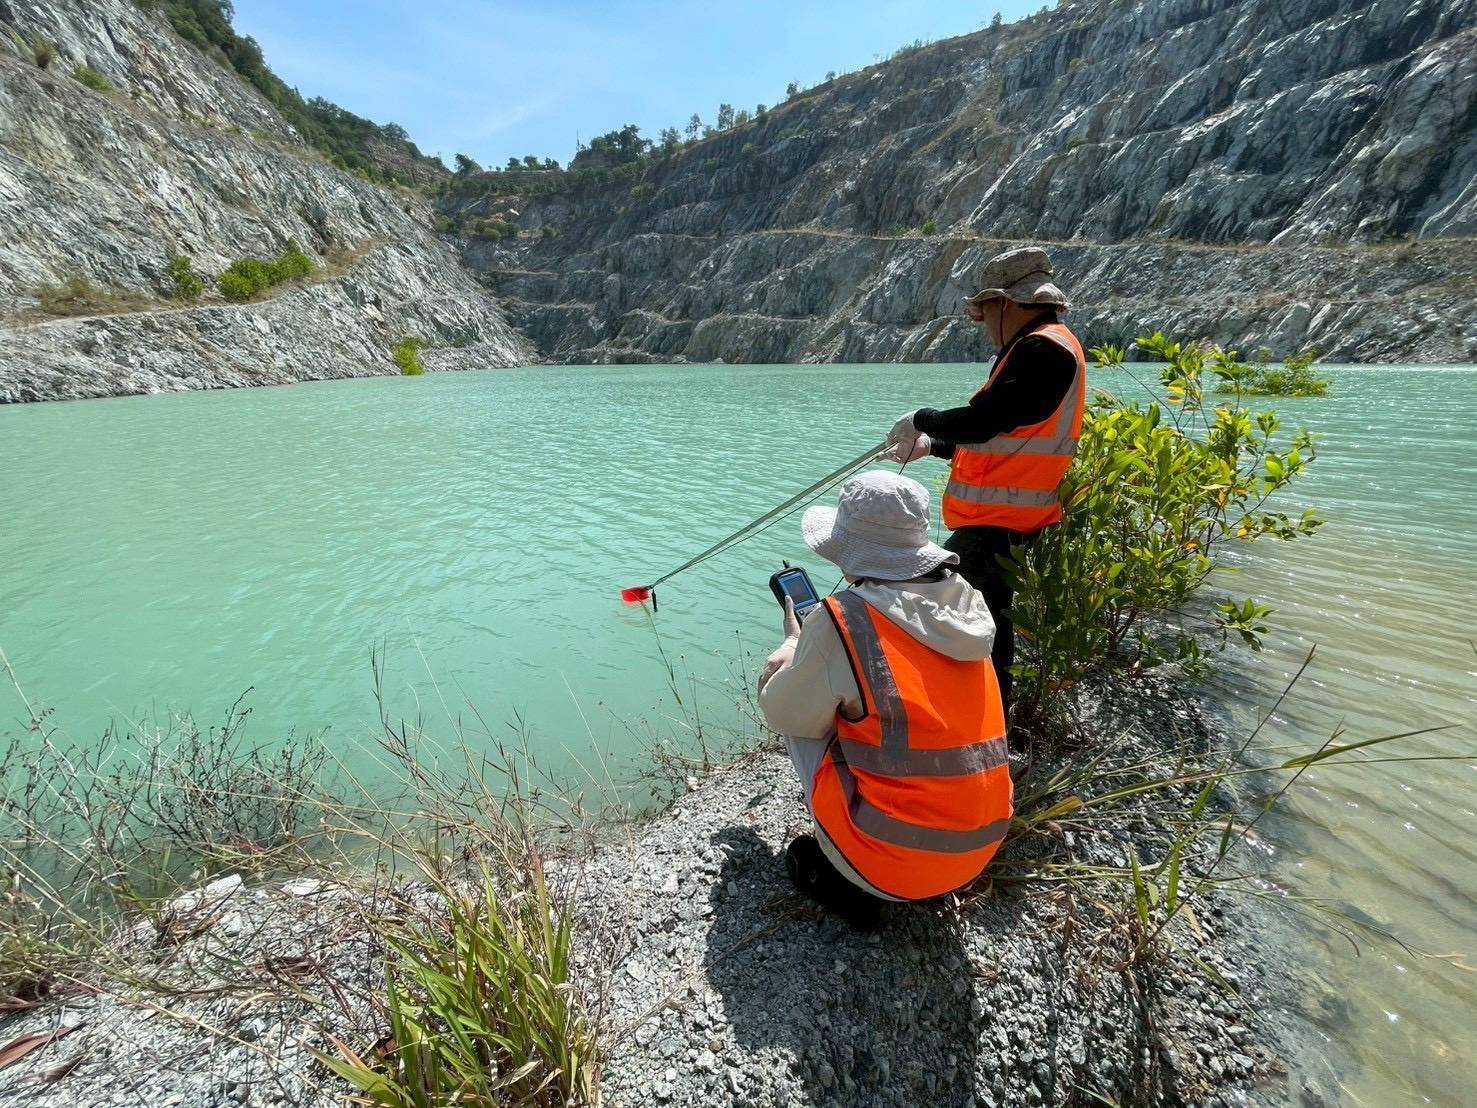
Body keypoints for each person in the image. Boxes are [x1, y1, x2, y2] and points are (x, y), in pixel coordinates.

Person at [757, 471, 1013, 928]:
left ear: (849, 550)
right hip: (978, 852)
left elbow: (782, 712)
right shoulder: (967, 603)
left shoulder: (845, 619)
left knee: (792, 695)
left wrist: (793, 648)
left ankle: (856, 876)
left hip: (895, 871)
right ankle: (907, 863)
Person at [881, 246, 1086, 711]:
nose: (980, 320)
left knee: (964, 615)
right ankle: (986, 716)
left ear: (1006, 303)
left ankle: (977, 718)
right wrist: (934, 446)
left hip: (999, 520)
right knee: (984, 617)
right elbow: (1008, 435)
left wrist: (923, 418)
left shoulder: (1043, 349)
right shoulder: (1040, 346)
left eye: (982, 309)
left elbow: (987, 420)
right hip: (1004, 516)